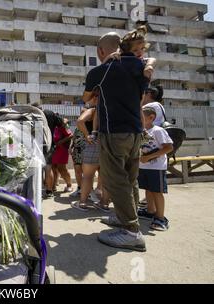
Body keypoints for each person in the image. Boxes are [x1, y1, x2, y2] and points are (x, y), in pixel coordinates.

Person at [83, 32, 150, 252]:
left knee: (115, 180)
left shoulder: (102, 71)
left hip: (114, 132)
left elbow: (86, 98)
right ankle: (125, 219)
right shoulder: (140, 67)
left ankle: (131, 232)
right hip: (135, 132)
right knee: (130, 179)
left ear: (100, 51)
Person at [137, 107, 173, 231]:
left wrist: (149, 157)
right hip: (144, 166)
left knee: (157, 192)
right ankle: (150, 210)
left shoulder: (158, 131)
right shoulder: (141, 131)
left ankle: (161, 217)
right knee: (148, 189)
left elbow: (168, 148)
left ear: (151, 117)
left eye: (141, 117)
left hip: (156, 167)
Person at [71, 105, 110, 212]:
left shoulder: (93, 110)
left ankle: (82, 203)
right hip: (111, 143)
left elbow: (80, 121)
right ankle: (105, 204)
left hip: (94, 142)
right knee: (107, 176)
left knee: (88, 176)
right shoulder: (114, 107)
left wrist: (87, 135)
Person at [32, 103, 62, 199]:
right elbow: (61, 123)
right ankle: (49, 191)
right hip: (49, 145)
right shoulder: (49, 113)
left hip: (36, 146)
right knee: (48, 169)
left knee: (37, 169)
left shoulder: (33, 115)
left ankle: (37, 191)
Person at [51, 117, 73, 194]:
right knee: (53, 168)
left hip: (62, 149)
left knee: (62, 169)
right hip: (53, 150)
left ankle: (69, 185)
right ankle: (53, 185)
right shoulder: (52, 126)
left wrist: (61, 142)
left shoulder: (62, 126)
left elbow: (71, 135)